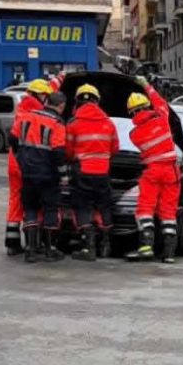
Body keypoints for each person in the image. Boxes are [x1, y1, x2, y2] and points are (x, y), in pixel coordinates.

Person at [5, 75, 62, 255]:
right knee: (38, 204)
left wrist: (60, 77)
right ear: (42, 96)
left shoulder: (23, 108)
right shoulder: (40, 113)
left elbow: (12, 139)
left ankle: (13, 242)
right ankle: (39, 243)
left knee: (17, 201)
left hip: (16, 162)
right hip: (34, 164)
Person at [126, 76, 181, 263]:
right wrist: (146, 86)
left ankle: (146, 246)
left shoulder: (134, 134)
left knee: (145, 208)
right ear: (147, 106)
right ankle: (169, 253)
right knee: (168, 211)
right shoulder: (162, 117)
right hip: (171, 171)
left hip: (151, 172)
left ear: (132, 113)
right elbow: (160, 101)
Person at [66, 83, 119, 261]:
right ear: (97, 101)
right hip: (103, 172)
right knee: (104, 206)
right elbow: (115, 148)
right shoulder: (108, 123)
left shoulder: (73, 123)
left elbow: (68, 151)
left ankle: (88, 247)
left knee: (82, 207)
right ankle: (106, 244)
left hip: (82, 172)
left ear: (78, 102)